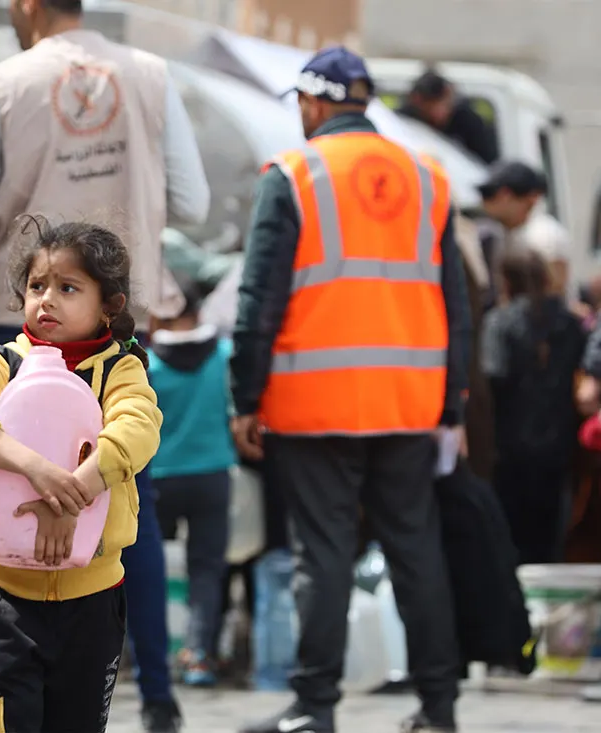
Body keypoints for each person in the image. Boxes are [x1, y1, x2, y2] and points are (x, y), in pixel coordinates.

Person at [0, 3, 208, 728]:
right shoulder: (152, 76)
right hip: (118, 322)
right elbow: (193, 197)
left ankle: (30, 675)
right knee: (130, 517)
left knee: (15, 496)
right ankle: (156, 692)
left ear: (28, 6)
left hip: (10, 322)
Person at [230, 46, 471, 733]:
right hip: (408, 401)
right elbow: (455, 300)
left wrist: (245, 398)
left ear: (312, 102)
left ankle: (315, 706)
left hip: (315, 403)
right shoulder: (428, 176)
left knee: (324, 553)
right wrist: (450, 403)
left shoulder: (295, 174)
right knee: (414, 550)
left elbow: (258, 298)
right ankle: (439, 704)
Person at [0, 217, 163, 733]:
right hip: (2, 596)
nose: (47, 300)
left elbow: (138, 429)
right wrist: (35, 468)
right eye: (37, 286)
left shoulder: (121, 371)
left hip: (93, 599)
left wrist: (74, 493)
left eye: (68, 287)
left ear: (110, 304)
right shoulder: (1, 364)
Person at [145, 277, 235, 688]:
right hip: (213, 475)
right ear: (198, 314)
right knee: (206, 570)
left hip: (158, 477)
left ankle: (145, 652)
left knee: (145, 565)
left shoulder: (147, 364)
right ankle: (198, 655)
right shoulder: (223, 355)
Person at [481, 245, 587, 565]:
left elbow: (493, 374)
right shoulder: (569, 321)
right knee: (551, 536)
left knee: (515, 539)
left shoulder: (499, 322)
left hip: (511, 448)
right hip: (559, 446)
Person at [478, 160, 572, 300]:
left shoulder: (544, 236)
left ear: (531, 198)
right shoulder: (498, 235)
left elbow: (554, 292)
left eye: (492, 193)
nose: (486, 202)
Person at [397, 68, 499, 164]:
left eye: (439, 104)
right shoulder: (403, 121)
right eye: (428, 106)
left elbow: (488, 160)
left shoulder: (468, 122)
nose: (436, 112)